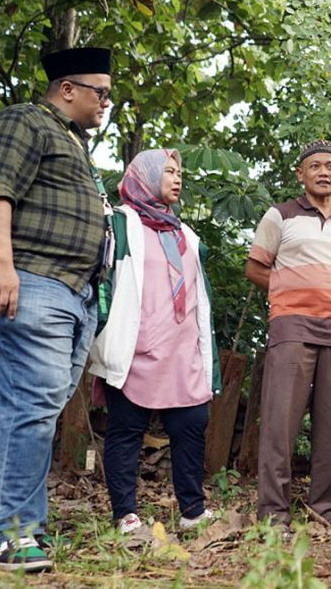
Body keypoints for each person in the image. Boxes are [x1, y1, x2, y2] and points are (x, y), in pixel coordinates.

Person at [0, 47, 113, 572]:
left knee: (20, 404)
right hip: (30, 279)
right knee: (34, 402)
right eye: (101, 92)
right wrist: (0, 262)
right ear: (67, 89)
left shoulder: (72, 142)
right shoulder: (24, 121)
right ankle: (14, 532)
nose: (106, 102)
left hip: (71, 292)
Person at [88, 149, 221, 535]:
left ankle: (192, 510)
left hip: (182, 353)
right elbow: (102, 279)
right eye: (168, 171)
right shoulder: (120, 223)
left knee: (192, 425)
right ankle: (125, 512)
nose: (178, 178)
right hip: (137, 350)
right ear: (145, 177)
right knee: (126, 430)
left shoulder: (186, 234)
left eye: (180, 172)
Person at [245, 139, 331, 532]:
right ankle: (273, 513)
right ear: (300, 174)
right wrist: (290, 287)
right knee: (280, 424)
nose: (324, 172)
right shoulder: (280, 216)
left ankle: (327, 507)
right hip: (292, 327)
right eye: (315, 166)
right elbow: (255, 268)